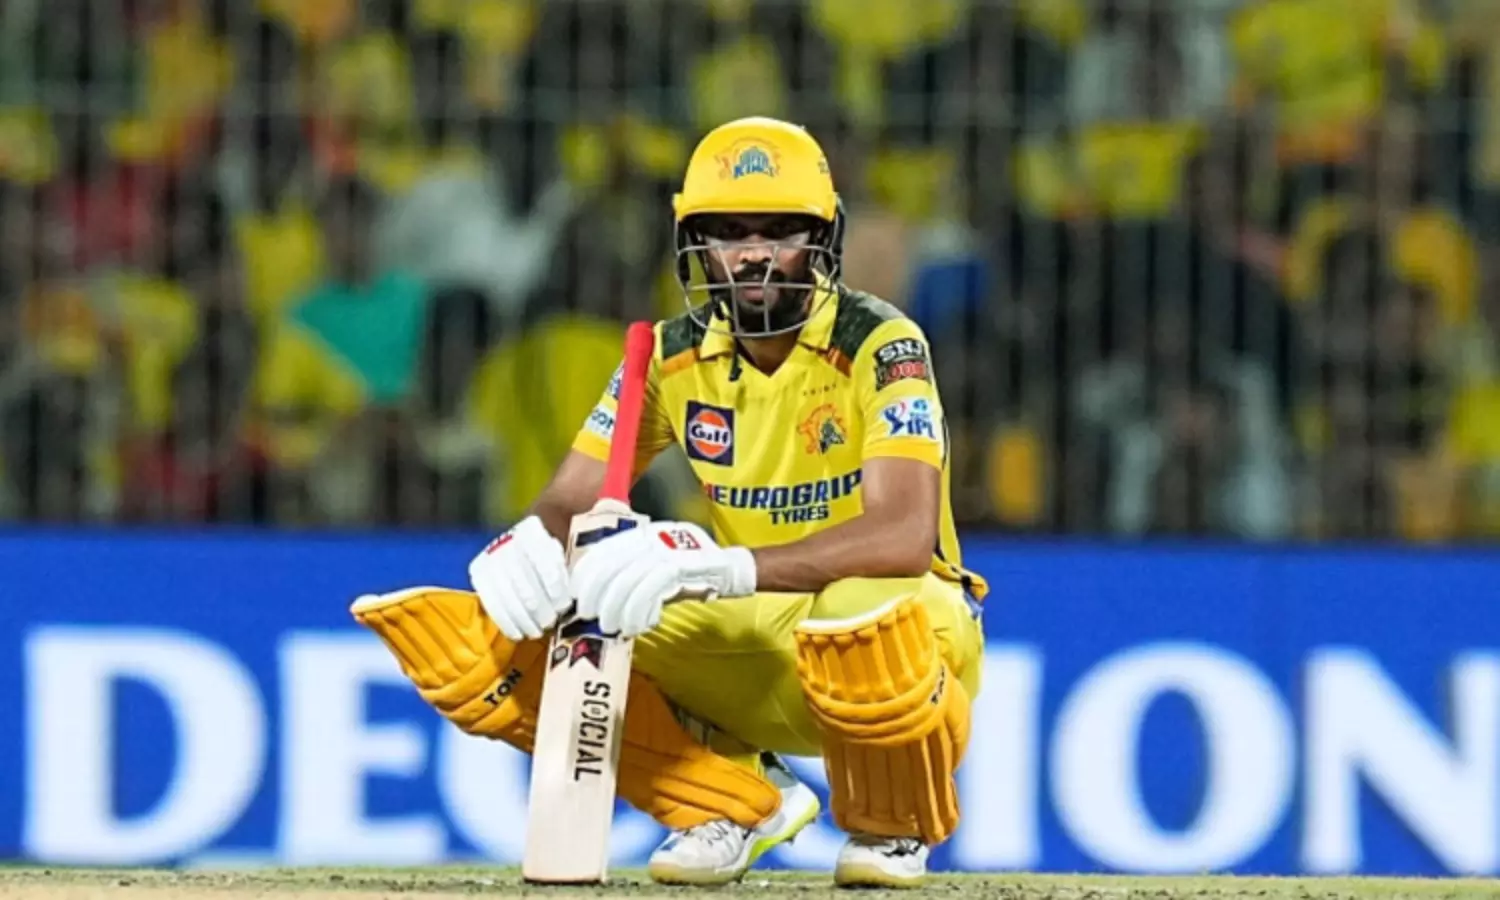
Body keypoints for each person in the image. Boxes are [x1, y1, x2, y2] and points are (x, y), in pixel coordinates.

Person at [353, 117, 988, 888]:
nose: (753, 254)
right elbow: (570, 500)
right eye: (729, 233)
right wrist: (531, 544)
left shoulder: (880, 342)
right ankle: (729, 801)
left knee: (858, 608)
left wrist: (718, 568)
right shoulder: (664, 355)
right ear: (695, 244)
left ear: (823, 240)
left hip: (910, 643)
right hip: (758, 636)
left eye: (780, 231)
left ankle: (891, 825)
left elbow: (903, 538)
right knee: (498, 641)